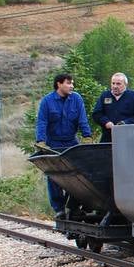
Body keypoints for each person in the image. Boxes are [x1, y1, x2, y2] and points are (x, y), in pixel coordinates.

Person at [35, 73, 92, 215]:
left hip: (71, 142)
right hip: (53, 143)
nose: (72, 86)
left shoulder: (76, 99)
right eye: (68, 83)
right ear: (59, 84)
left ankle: (73, 205)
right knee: (54, 175)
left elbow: (82, 119)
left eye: (72, 83)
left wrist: (87, 136)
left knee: (78, 175)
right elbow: (42, 122)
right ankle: (59, 208)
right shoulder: (47, 101)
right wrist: (40, 141)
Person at [91, 71, 134, 142]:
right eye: (113, 83)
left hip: (129, 138)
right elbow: (97, 114)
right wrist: (106, 122)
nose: (115, 86)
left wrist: (125, 123)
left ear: (125, 84)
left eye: (118, 84)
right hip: (108, 138)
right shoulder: (104, 96)